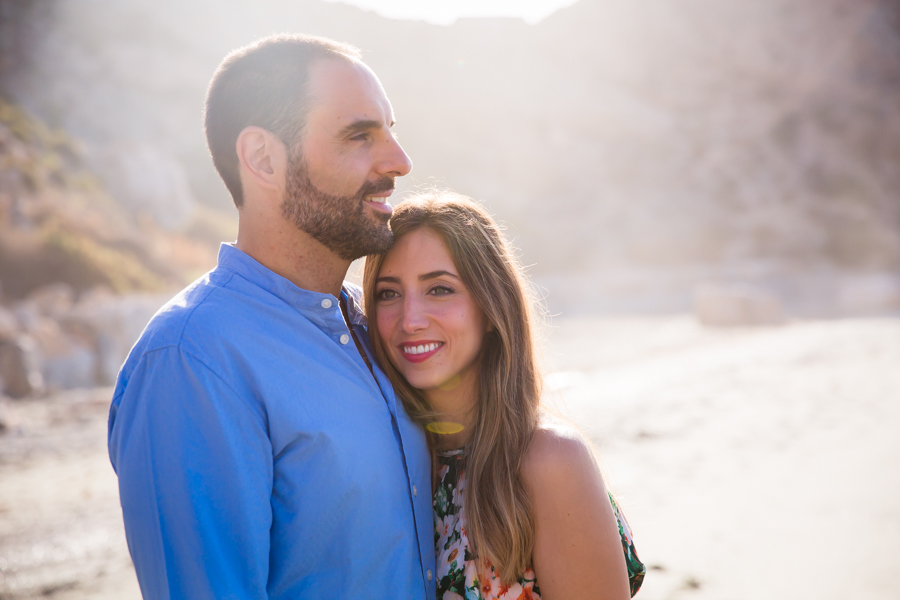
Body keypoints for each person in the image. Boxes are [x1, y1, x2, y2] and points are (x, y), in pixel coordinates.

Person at [107, 35, 436, 599]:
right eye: (359, 135)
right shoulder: (193, 359)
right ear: (263, 158)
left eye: (391, 131)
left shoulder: (373, 327)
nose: (399, 162)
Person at [363, 191, 645, 600]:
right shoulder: (396, 461)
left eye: (440, 289)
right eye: (388, 293)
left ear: (491, 306)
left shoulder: (548, 461)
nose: (410, 320)